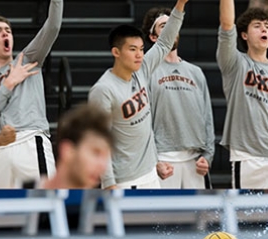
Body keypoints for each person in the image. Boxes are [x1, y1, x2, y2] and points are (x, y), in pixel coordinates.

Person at [88, 0, 188, 189]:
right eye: (132, 50)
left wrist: (181, 4)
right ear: (116, 52)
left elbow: (165, 42)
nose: (139, 55)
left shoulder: (142, 70)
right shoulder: (103, 89)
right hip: (125, 180)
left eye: (141, 49)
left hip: (150, 172)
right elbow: (99, 140)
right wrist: (109, 183)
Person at [0, 0, 63, 189]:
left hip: (29, 141)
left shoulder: (27, 59)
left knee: (44, 207)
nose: (5, 33)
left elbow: (53, 26)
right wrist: (8, 85)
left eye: (8, 30)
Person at [142, 7, 215, 189]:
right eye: (164, 26)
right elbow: (143, 122)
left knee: (201, 216)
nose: (171, 29)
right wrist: (154, 160)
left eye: (174, 25)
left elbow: (207, 118)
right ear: (153, 37)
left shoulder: (195, 72)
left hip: (195, 162)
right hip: (164, 161)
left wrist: (208, 156)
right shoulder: (146, 71)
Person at [218, 0, 268, 188]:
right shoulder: (235, 63)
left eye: (267, 26)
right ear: (244, 35)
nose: (264, 30)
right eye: (257, 26)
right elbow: (227, 26)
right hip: (247, 156)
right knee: (247, 216)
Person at [40, 104, 113, 188]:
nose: (102, 166)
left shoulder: (99, 200)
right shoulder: (25, 195)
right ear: (67, 151)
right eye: (96, 153)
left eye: (105, 157)